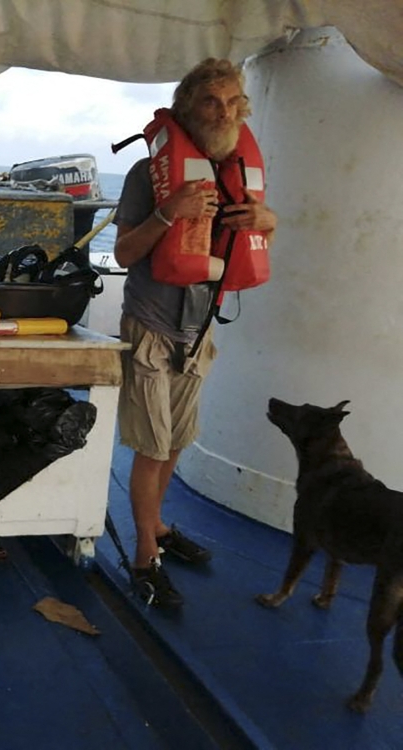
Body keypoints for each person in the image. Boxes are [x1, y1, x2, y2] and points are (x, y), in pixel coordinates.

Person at [113, 58, 278, 608]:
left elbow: (257, 240)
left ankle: (158, 526)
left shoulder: (239, 177)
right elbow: (124, 253)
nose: (224, 113)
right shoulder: (147, 175)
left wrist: (268, 222)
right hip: (152, 326)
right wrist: (168, 212)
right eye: (211, 101)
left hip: (199, 328)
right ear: (187, 109)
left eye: (233, 103)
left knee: (177, 440)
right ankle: (144, 555)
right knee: (151, 445)